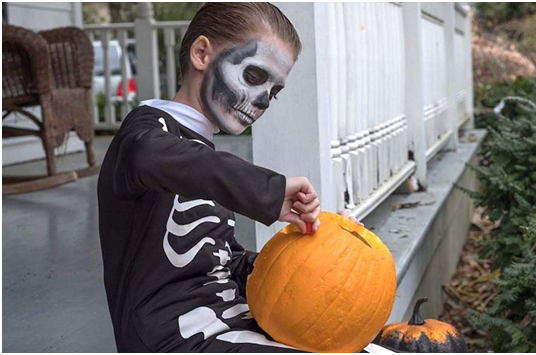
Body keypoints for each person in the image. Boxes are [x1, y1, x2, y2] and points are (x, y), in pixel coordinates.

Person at [98, 3, 391, 353]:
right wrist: (267, 190)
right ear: (201, 53)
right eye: (254, 77)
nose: (262, 100)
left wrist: (324, 257)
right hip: (173, 337)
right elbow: (150, 158)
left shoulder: (205, 160)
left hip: (235, 318)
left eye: (274, 92)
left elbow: (225, 262)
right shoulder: (145, 134)